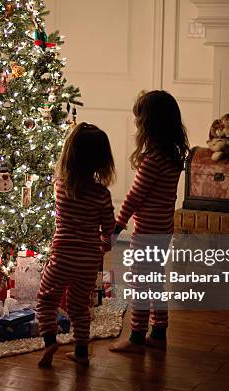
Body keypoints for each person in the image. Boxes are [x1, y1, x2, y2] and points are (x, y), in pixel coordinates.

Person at [110, 90, 189, 353]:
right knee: (155, 282)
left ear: (149, 125)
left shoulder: (153, 161)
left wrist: (116, 227)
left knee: (140, 284)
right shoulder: (173, 156)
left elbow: (133, 198)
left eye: (139, 121)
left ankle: (136, 337)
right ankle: (158, 333)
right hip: (163, 231)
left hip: (146, 234)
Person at [36, 122, 116, 367]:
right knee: (79, 305)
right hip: (88, 259)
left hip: (62, 256)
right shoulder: (102, 194)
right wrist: (103, 244)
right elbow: (109, 227)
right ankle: (81, 350)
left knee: (47, 299)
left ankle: (50, 341)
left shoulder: (60, 187)